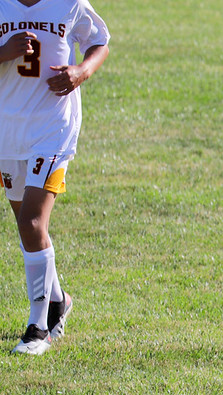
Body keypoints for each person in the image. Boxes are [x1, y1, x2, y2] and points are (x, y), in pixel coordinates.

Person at [0, 0, 110, 354]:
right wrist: (4, 51)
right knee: (26, 225)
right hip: (8, 130)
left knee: (33, 223)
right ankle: (58, 301)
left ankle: (39, 326)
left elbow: (99, 41)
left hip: (53, 128)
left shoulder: (69, 3)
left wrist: (82, 71)